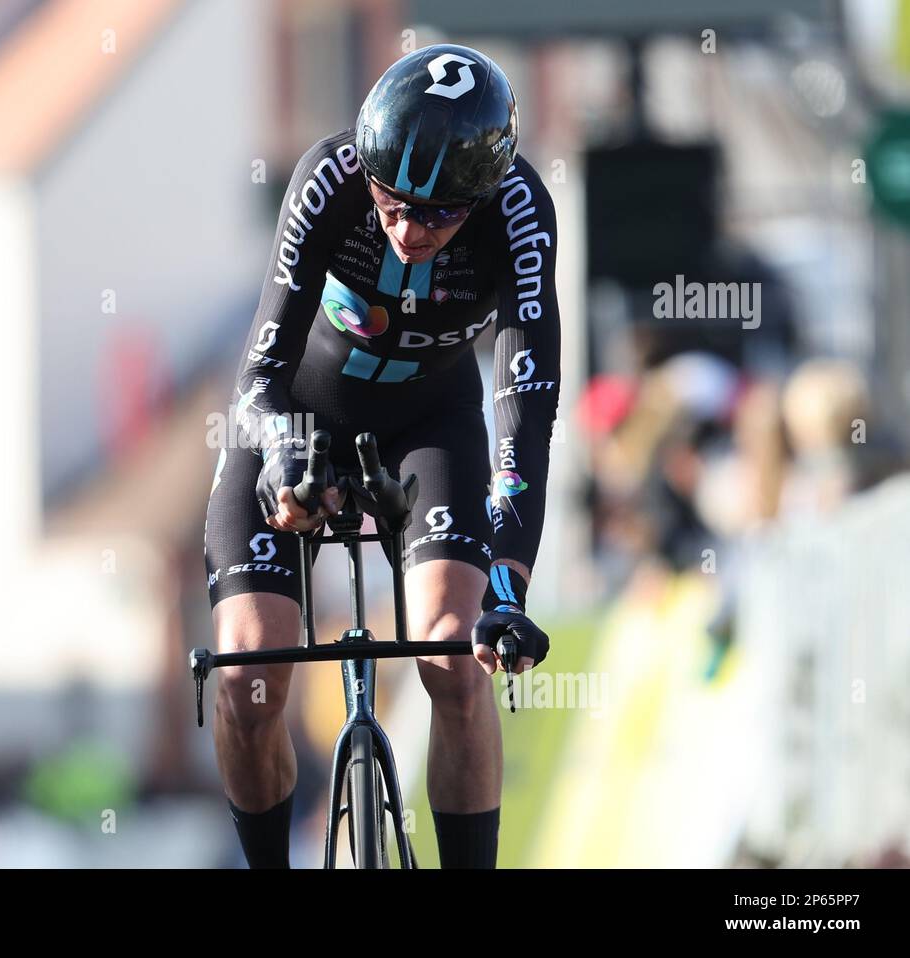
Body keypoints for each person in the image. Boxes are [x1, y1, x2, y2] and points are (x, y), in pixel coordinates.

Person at [203, 44, 558, 868]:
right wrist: (289, 453)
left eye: (437, 216)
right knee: (248, 682)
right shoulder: (329, 178)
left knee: (454, 660)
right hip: (299, 419)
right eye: (392, 203)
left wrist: (507, 588)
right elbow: (257, 380)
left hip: (431, 428)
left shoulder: (518, 210)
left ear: (479, 195)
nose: (406, 230)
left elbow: (524, 416)